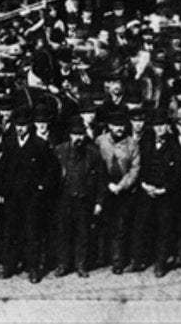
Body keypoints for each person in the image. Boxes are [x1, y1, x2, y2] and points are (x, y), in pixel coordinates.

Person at [0, 106, 58, 283]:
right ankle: (10, 265)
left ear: (30, 125)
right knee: (11, 231)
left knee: (32, 232)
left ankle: (33, 268)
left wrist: (41, 188)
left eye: (23, 125)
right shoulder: (9, 143)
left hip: (32, 198)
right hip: (12, 196)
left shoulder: (40, 144)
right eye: (17, 125)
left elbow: (52, 170)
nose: (20, 128)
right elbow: (1, 169)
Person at [53, 115, 105, 278]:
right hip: (64, 199)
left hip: (84, 199)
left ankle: (80, 265)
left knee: (83, 234)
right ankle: (63, 264)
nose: (78, 138)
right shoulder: (59, 151)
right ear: (70, 135)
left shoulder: (93, 154)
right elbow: (53, 177)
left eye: (81, 134)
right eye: (75, 134)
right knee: (63, 233)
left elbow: (101, 179)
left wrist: (99, 202)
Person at [129, 109, 180, 276]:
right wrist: (144, 185)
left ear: (167, 126)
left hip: (164, 193)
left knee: (164, 229)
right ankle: (138, 261)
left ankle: (160, 264)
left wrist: (164, 189)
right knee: (140, 227)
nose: (159, 129)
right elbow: (139, 165)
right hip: (146, 190)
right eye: (156, 125)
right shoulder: (146, 141)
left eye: (162, 125)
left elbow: (177, 173)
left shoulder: (174, 144)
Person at [95, 110, 140, 274]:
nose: (119, 128)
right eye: (115, 125)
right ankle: (101, 257)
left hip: (123, 189)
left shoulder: (131, 144)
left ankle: (118, 261)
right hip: (104, 186)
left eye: (121, 125)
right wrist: (106, 185)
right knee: (102, 223)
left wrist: (122, 186)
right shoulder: (100, 141)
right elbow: (94, 164)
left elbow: (135, 169)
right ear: (109, 126)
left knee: (121, 226)